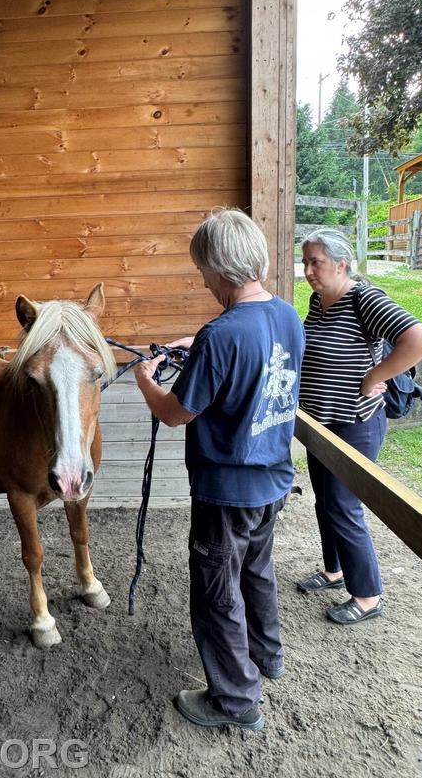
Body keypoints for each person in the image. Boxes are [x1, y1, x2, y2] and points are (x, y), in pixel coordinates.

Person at [133, 209, 304, 731]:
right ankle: (267, 656)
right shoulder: (287, 315)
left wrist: (146, 379)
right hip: (272, 480)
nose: (202, 280)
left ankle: (234, 700)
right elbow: (242, 354)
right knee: (256, 571)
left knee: (215, 591)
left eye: (202, 271)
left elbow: (174, 412)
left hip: (226, 489)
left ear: (219, 269)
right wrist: (198, 344)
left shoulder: (220, 334)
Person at [297, 229, 422, 624]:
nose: (307, 270)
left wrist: (376, 375)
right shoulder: (319, 300)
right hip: (322, 421)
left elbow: (419, 338)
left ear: (341, 264)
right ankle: (334, 571)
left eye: (315, 262)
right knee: (325, 500)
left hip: (356, 422)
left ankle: (369, 595)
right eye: (305, 262)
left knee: (343, 505)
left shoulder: (364, 298)